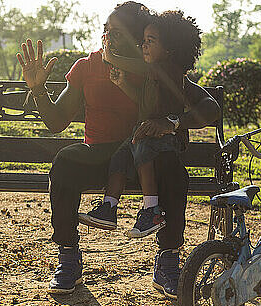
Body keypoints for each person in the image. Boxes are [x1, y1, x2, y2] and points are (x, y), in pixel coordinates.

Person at [16, 1, 220, 298]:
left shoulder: (157, 70)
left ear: (140, 39)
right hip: (101, 156)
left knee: (174, 171)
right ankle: (69, 257)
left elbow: (209, 107)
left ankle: (168, 262)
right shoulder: (86, 67)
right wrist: (37, 89)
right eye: (107, 30)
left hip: (144, 160)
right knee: (64, 162)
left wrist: (173, 122)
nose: (109, 37)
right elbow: (57, 121)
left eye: (119, 32)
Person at [78, 11, 202, 240]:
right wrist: (123, 83)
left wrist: (111, 57)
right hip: (144, 131)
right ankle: (109, 207)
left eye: (150, 42)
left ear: (169, 49)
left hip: (165, 137)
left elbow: (141, 68)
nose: (143, 46)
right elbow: (143, 102)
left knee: (142, 151)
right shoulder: (152, 73)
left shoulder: (167, 69)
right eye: (143, 41)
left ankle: (151, 210)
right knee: (121, 157)